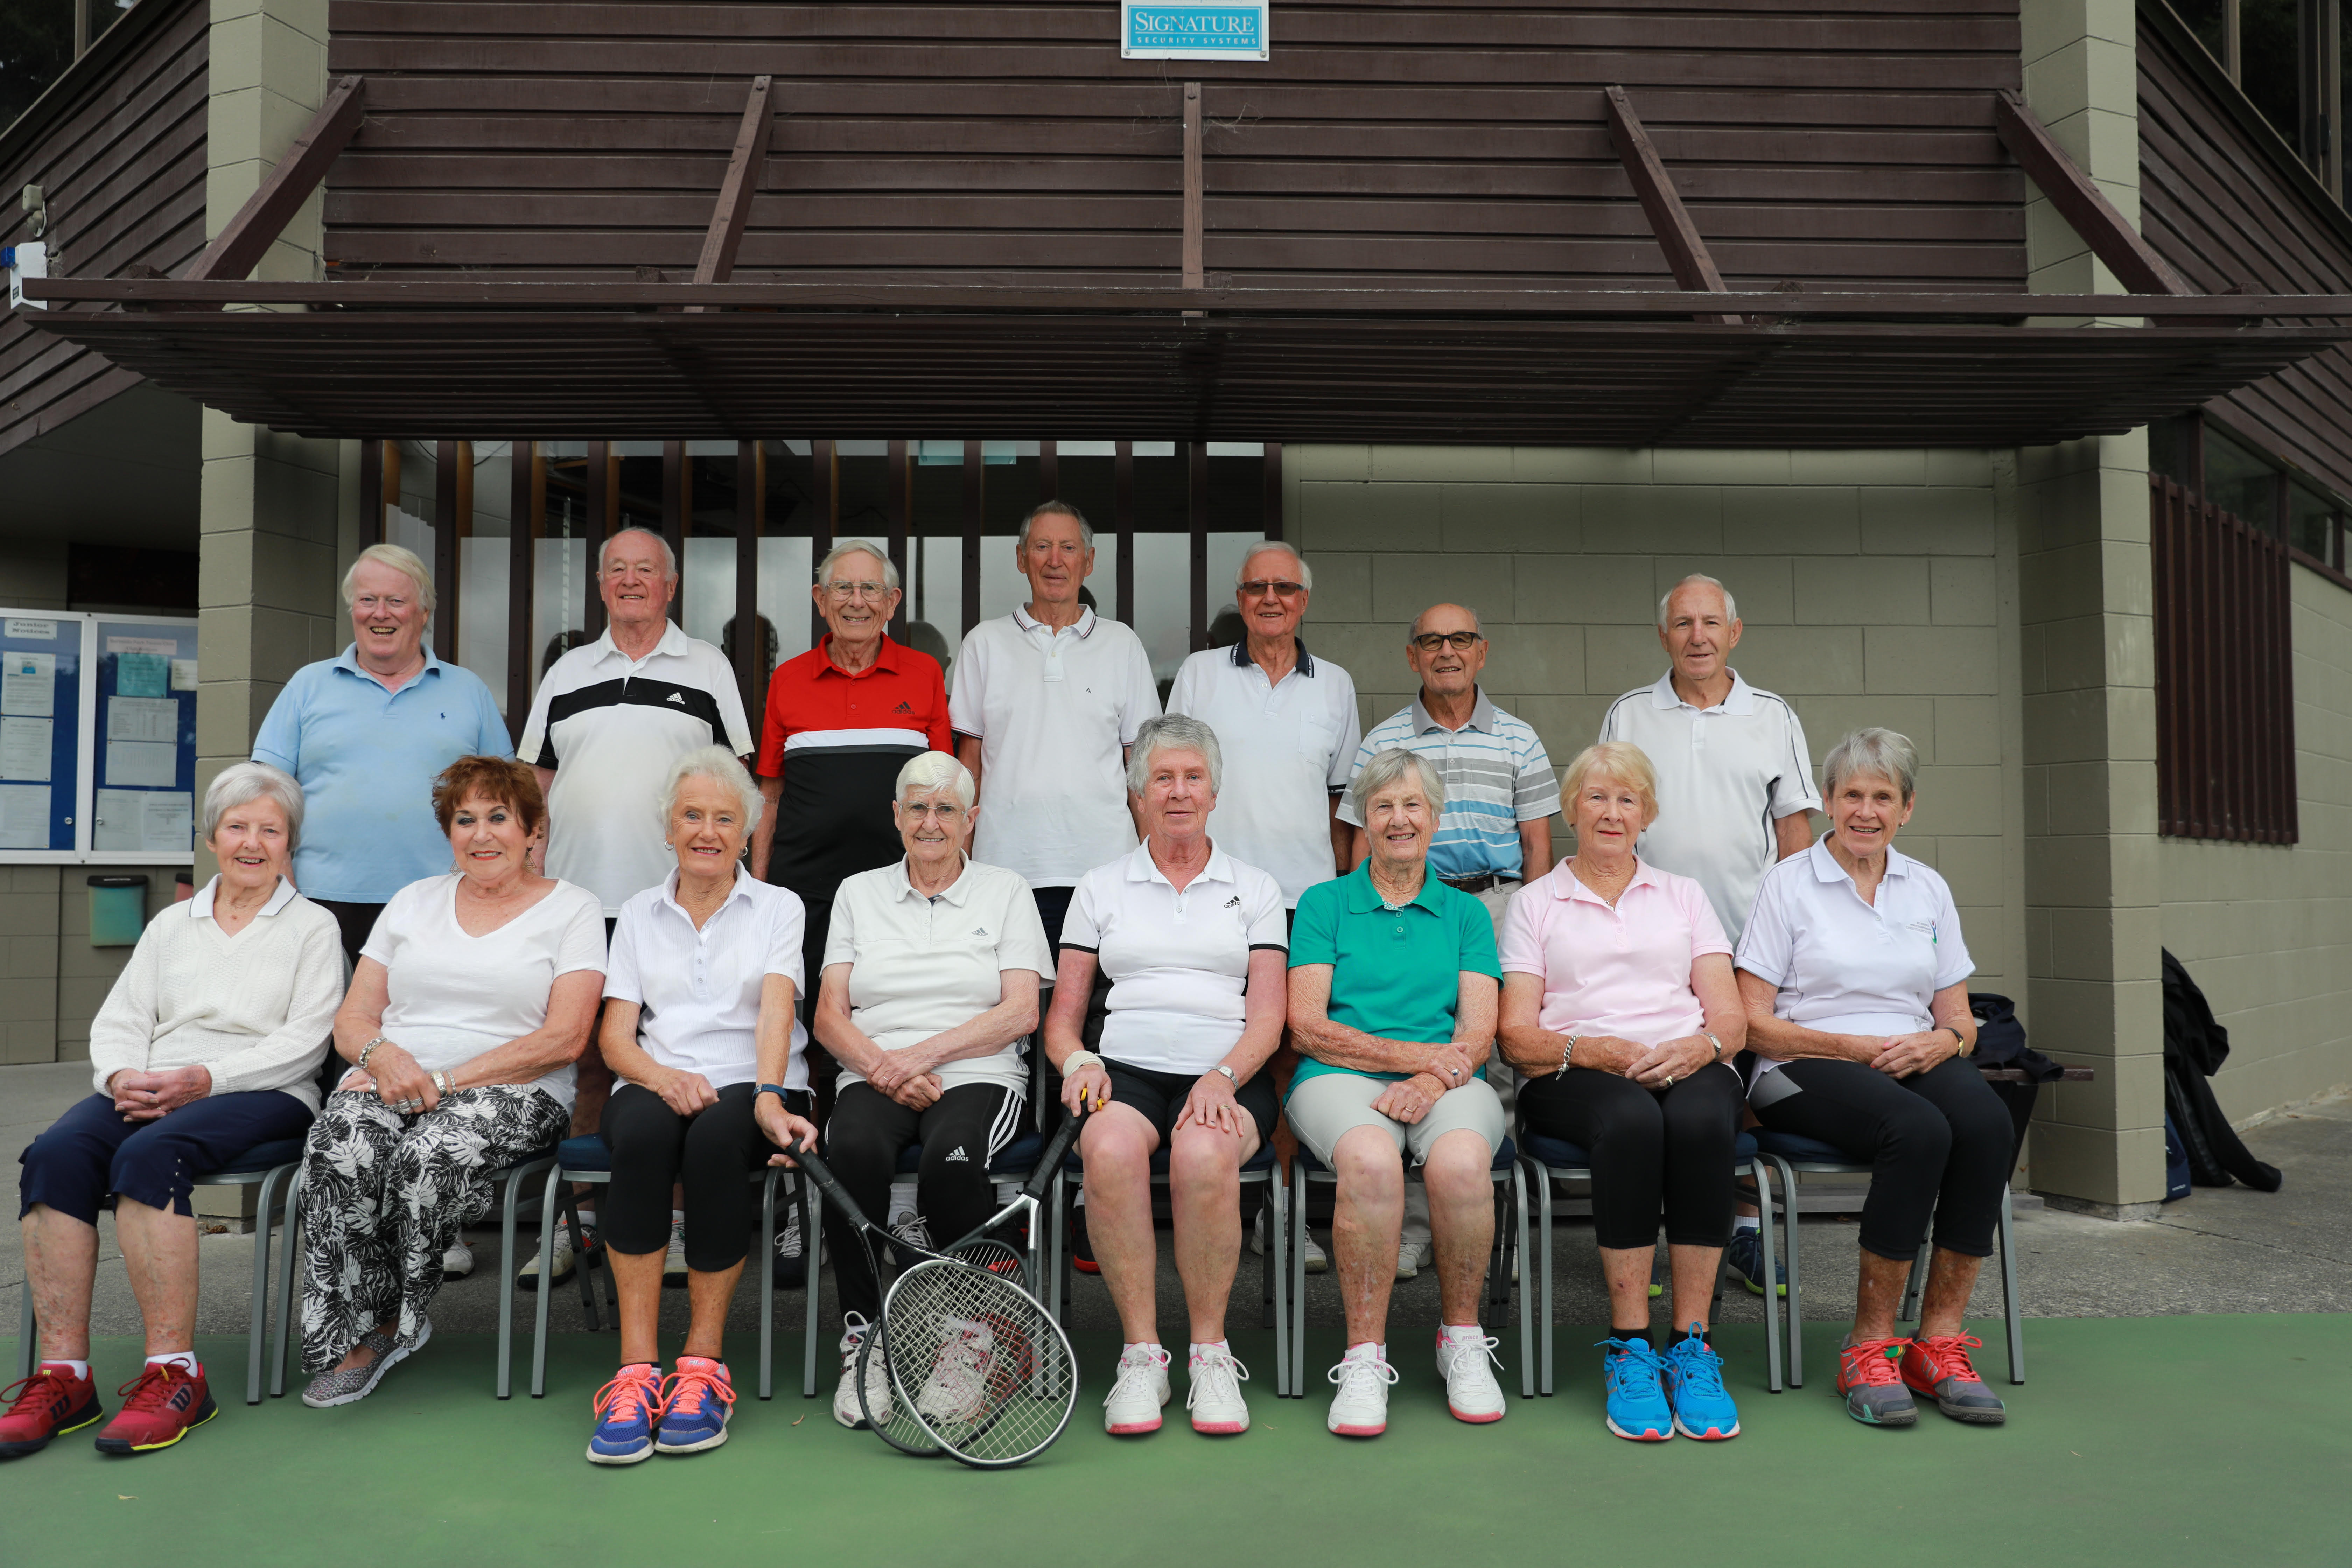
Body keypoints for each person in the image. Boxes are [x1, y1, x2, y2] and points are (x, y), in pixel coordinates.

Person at [6, 764, 340, 1459]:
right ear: (213, 837)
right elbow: (125, 1014)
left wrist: (207, 1076)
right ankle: (64, 1374)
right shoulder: (171, 922)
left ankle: (175, 1373)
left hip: (264, 1091)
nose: (253, 842)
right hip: (154, 1081)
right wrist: (122, 1073)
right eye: (238, 826)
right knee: (54, 1154)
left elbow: (307, 1040)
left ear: (291, 843)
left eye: (270, 830)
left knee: (150, 1156)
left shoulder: (312, 925)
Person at [296, 756, 604, 1407]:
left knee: (430, 1153)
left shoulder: (573, 909)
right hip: (398, 1079)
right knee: (339, 1144)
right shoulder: (413, 902)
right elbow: (354, 1017)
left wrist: (444, 1078)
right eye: (466, 820)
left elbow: (566, 1037)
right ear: (449, 831)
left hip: (519, 1092)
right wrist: (381, 1058)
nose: (482, 834)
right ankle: (364, 1329)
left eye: (499, 818)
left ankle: (397, 1321)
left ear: (532, 831)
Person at [1735, 727, 2011, 1430]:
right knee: (1915, 1129)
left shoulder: (1928, 886)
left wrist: (1941, 1041)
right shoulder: (1788, 883)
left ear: (1907, 807)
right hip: (1800, 1065)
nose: (1866, 809)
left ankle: (1938, 1342)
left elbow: (1961, 1019)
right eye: (1852, 793)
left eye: (1882, 795)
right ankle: (1868, 1346)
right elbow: (1751, 1023)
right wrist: (1854, 1048)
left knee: (1986, 1123)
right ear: (1827, 801)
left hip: (1909, 1055)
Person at [517, 527, 755, 1285]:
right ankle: (578, 1221)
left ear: (670, 584)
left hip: (680, 906)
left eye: (644, 570)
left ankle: (678, 1223)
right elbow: (536, 790)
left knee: (679, 1059)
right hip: (582, 904)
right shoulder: (566, 670)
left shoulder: (709, 666)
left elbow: (738, 789)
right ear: (599, 582)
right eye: (616, 570)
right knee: (586, 1060)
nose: (630, 581)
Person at [1496, 742, 1746, 1442]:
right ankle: (1631, 1344)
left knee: (1701, 1122)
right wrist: (1594, 1048)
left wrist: (1700, 1046)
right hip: (1575, 1069)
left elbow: (1729, 1015)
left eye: (1628, 798)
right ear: (1572, 806)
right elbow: (1516, 1035)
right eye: (1597, 796)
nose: (1612, 811)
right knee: (1632, 1122)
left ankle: (1692, 1345)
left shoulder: (1684, 895)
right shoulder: (1535, 901)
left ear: (1648, 813)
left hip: (1688, 1056)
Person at [1045, 716, 1287, 1437]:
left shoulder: (1256, 887)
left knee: (1203, 1152)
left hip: (1229, 1067)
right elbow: (1063, 1018)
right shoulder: (1100, 886)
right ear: (1138, 794)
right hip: (1127, 1069)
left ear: (1214, 791)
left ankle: (1210, 1353)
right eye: (1162, 778)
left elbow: (1269, 1019)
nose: (1178, 791)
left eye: (1192, 777)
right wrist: (1079, 1062)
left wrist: (1222, 1075)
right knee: (1110, 1151)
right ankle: (1142, 1354)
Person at [584, 748, 818, 1464]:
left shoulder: (779, 906)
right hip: (654, 1076)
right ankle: (634, 1373)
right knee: (646, 1139)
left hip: (757, 1077)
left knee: (717, 1139)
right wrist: (663, 1076)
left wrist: (770, 1094)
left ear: (748, 830)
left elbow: (775, 1014)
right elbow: (615, 1037)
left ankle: (702, 1368)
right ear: (668, 828)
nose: (708, 830)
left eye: (725, 817)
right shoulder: (639, 913)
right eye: (692, 815)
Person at [812, 751, 1054, 1430]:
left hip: (981, 1074)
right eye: (917, 806)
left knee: (953, 1156)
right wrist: (886, 1065)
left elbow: (1021, 1012)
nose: (931, 821)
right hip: (874, 1069)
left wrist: (921, 1055)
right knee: (851, 1149)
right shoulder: (859, 892)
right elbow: (830, 1014)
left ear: (971, 819)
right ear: (896, 815)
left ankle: (967, 1336)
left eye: (946, 808)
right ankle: (867, 1338)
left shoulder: (1006, 890)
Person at [1599, 572, 1819, 1300]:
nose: (1697, 636)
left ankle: (1745, 1234)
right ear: (1664, 634)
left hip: (1748, 939)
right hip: (1653, 942)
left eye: (1710, 623)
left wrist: (1790, 934)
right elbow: (1609, 815)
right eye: (1683, 623)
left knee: (1736, 1089)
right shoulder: (1630, 713)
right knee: (1659, 1082)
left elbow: (1795, 834)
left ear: (1734, 631)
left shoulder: (1772, 715)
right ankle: (1656, 1239)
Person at [1288, 748, 1507, 1437]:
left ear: (1435, 818)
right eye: (1383, 806)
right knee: (1372, 1164)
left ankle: (1462, 1340)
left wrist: (1433, 1076)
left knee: (1463, 1164)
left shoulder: (1468, 914)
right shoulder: (1326, 903)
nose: (1399, 818)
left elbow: (1479, 1032)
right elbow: (1308, 1026)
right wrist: (1420, 1059)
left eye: (1413, 804)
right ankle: (1363, 1355)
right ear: (1363, 821)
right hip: (1337, 1074)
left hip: (1450, 1078)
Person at [1340, 603, 1555, 1279]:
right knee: (1409, 1055)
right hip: (1408, 907)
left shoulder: (1520, 739)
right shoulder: (1381, 742)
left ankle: (1492, 1232)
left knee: (1496, 1072)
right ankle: (1411, 1228)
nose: (1446, 652)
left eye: (1460, 640)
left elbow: (1538, 847)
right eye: (1430, 641)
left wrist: (1533, 923)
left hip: (1496, 906)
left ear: (1481, 652)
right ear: (1413, 657)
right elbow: (1358, 846)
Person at [252, 542, 512, 970]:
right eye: (367, 600)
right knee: (324, 1031)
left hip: (443, 897)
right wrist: (281, 879)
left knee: (421, 1029)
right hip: (318, 901)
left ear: (423, 613)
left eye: (396, 601)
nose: (380, 613)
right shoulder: (308, 685)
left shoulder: (469, 690)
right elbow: (263, 793)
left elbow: (508, 799)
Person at [950, 500, 1160, 951]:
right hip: (1005, 868)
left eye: (1068, 547)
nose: (1055, 560)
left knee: (1097, 1013)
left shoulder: (1121, 643)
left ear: (1090, 559)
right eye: (1042, 546)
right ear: (1022, 557)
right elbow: (970, 764)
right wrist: (959, 860)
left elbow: (1141, 768)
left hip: (1106, 868)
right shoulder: (983, 644)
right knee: (1012, 1011)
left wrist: (1152, 863)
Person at [1165, 541, 1359, 910]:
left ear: (1303, 601)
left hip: (1307, 897)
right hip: (1211, 889)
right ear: (1242, 600)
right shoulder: (1198, 673)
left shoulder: (1336, 684)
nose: (1271, 598)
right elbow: (1168, 786)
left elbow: (1340, 801)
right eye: (1258, 587)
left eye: (1285, 588)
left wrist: (1342, 888)